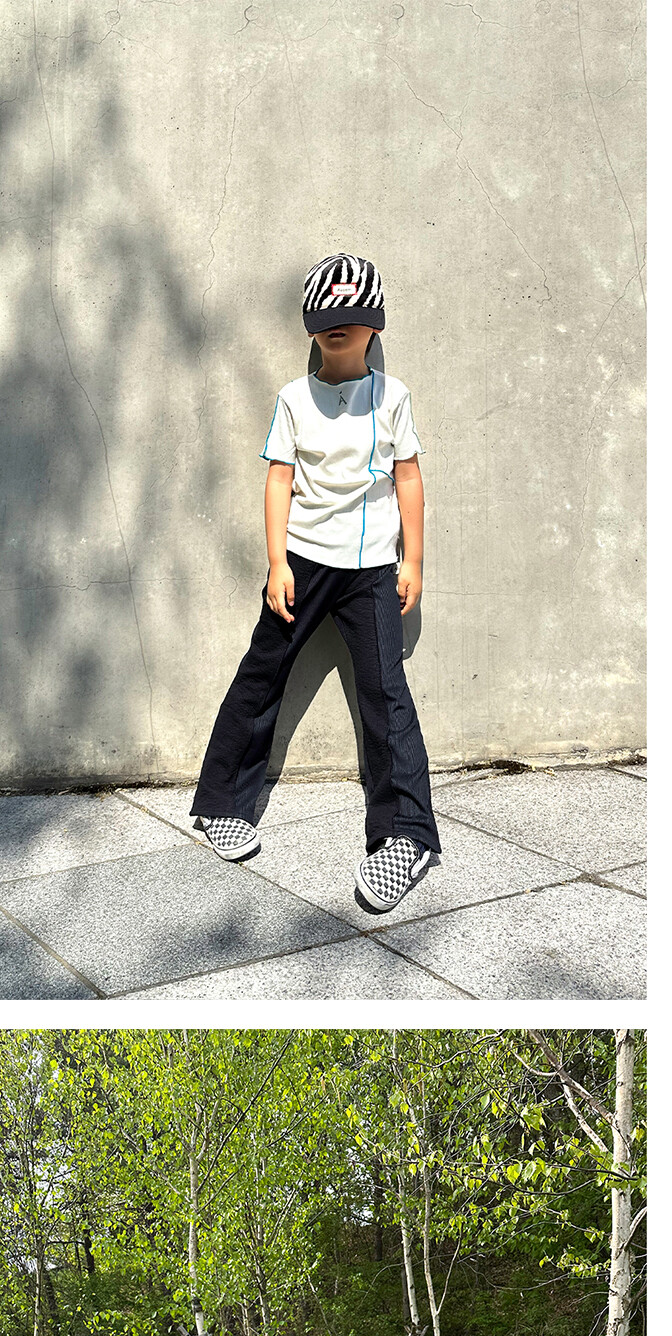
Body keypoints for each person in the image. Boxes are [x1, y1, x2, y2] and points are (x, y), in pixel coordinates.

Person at [191, 252, 441, 915]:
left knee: (386, 692)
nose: (339, 326)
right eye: (327, 316)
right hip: (302, 562)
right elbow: (279, 478)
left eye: (353, 317)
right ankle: (222, 805)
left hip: (373, 570)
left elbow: (409, 477)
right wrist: (277, 562)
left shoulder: (394, 397)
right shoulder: (293, 399)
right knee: (261, 673)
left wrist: (413, 561)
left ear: (374, 327)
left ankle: (406, 836)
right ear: (310, 326)